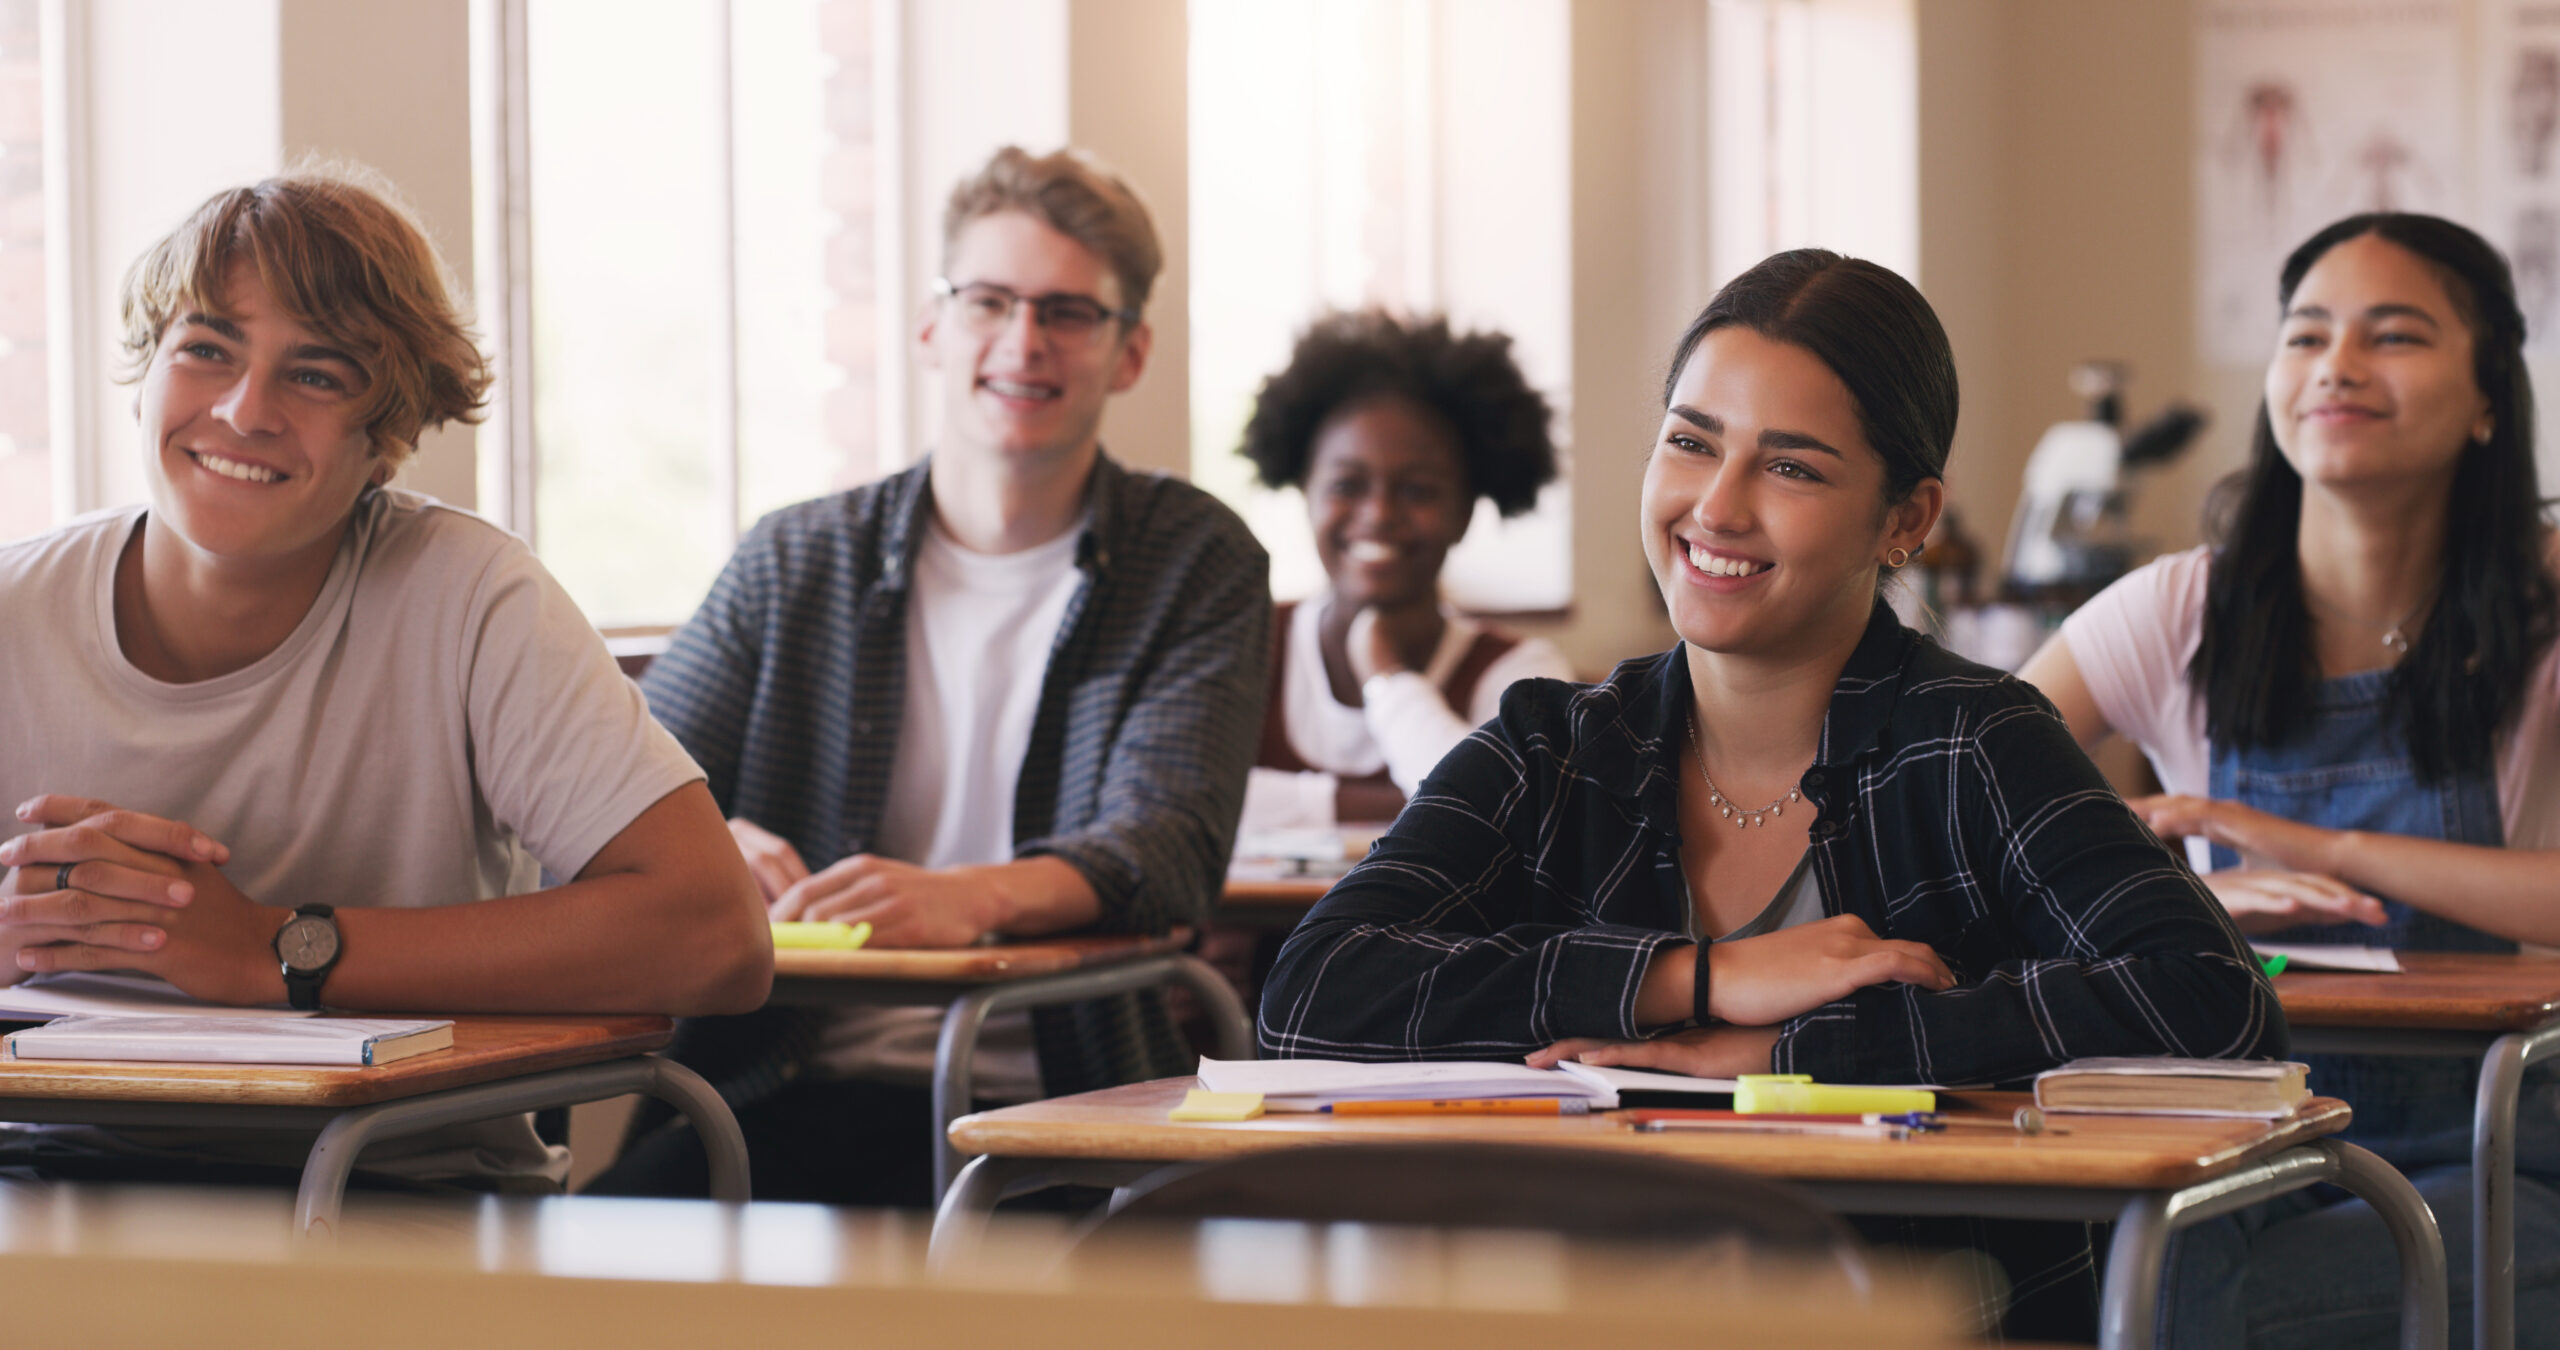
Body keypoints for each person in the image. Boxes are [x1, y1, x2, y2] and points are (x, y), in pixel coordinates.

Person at [1259, 248, 2283, 1339]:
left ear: (1904, 519)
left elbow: (2216, 1001)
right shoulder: (1550, 746)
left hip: (1908, 1304)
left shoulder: (1973, 741)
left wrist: (1794, 1056)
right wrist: (1697, 976)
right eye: (1691, 442)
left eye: (1790, 468)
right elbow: (1310, 992)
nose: (1717, 506)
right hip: (1589, 1296)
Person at [0, 168, 771, 1187]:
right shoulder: (17, 607)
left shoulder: (472, 597)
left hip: (395, 1188)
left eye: (316, 375)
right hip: (42, 1169)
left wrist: (270, 950)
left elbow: (717, 938)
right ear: (147, 373)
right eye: (206, 350)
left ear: (386, 440)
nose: (244, 409)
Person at [590, 145, 1270, 1207]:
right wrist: (704, 841)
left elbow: (1170, 846)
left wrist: (967, 900)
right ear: (929, 327)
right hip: (783, 1079)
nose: (1022, 342)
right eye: (988, 301)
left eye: (1068, 314)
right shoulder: (795, 557)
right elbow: (611, 793)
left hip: (1068, 1098)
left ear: (1129, 352)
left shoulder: (1192, 557)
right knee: (590, 1264)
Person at [2020, 212, 2560, 1350]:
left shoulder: (2545, 602)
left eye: (2394, 335)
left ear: (2486, 401)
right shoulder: (2178, 610)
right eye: (2306, 334)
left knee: (2190, 1304)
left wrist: (2315, 847)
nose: (2338, 367)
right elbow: (1956, 822)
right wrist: (2169, 892)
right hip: (2250, 1127)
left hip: (2506, 1139)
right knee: (2157, 1260)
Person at [1235, 310, 1574, 827]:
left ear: (1464, 514)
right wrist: (1395, 807)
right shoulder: (1244, 644)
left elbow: (1513, 821)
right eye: (1347, 485)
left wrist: (1388, 677)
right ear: (1307, 495)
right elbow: (1180, 801)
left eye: (1417, 490)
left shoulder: (1520, 676)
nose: (1379, 515)